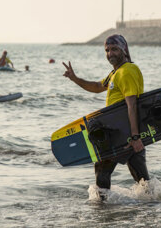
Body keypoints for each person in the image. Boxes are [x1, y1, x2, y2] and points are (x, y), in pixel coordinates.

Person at [62, 34, 149, 199]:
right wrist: (74, 78)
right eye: (107, 50)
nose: (110, 53)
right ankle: (156, 208)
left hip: (121, 134)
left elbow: (132, 105)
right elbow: (96, 87)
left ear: (124, 49)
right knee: (144, 184)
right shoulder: (115, 73)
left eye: (114, 49)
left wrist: (135, 137)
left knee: (102, 174)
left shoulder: (127, 71)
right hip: (127, 133)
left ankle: (102, 213)